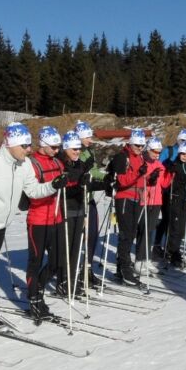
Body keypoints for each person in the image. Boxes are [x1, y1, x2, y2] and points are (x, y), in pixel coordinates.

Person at [0, 122, 64, 333]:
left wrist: (53, 185)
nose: (28, 149)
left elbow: (33, 191)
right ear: (12, 144)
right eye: (24, 145)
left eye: (29, 145)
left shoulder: (23, 164)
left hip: (1, 225)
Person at [24, 126, 67, 321]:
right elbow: (32, 193)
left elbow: (64, 182)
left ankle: (39, 287)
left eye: (58, 147)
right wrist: (53, 186)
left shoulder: (58, 162)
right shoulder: (31, 163)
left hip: (56, 217)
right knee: (35, 260)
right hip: (38, 219)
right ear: (43, 144)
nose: (57, 150)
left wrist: (74, 180)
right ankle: (33, 297)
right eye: (54, 147)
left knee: (58, 260)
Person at [58, 130, 107, 295]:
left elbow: (86, 183)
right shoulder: (62, 162)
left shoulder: (80, 160)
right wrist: (81, 182)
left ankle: (73, 279)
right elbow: (69, 185)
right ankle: (64, 280)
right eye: (74, 148)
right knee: (67, 247)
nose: (78, 151)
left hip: (80, 207)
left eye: (78, 149)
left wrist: (106, 183)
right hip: (67, 208)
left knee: (77, 246)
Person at [110, 129, 149, 286]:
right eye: (138, 145)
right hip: (124, 197)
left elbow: (139, 178)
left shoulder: (139, 157)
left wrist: (149, 178)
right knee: (126, 234)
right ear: (131, 143)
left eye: (142, 145)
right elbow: (121, 181)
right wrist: (138, 174)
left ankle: (122, 268)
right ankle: (125, 270)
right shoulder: (122, 157)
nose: (140, 148)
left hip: (135, 198)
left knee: (131, 233)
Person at [73, 120, 106, 288]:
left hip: (90, 199)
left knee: (92, 235)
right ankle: (75, 272)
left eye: (90, 136)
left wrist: (105, 178)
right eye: (87, 137)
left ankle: (88, 269)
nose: (90, 140)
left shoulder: (89, 151)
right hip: (78, 201)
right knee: (79, 238)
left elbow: (93, 171)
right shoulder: (74, 152)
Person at [153, 127, 186, 256]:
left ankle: (171, 247)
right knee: (166, 219)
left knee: (173, 222)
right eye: (182, 139)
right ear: (178, 139)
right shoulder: (169, 151)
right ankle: (158, 244)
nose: (184, 142)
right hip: (165, 190)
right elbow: (159, 166)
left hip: (178, 192)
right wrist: (168, 166)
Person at [136, 137, 171, 266]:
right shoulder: (142, 162)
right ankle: (139, 259)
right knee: (142, 229)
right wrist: (149, 177)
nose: (157, 155)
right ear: (148, 150)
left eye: (159, 153)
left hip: (156, 201)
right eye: (154, 152)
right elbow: (139, 180)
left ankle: (147, 258)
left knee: (150, 230)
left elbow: (163, 184)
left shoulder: (159, 165)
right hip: (145, 200)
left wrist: (170, 174)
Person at [164, 141, 186, 268]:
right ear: (179, 154)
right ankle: (172, 252)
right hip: (175, 199)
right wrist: (182, 177)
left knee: (182, 229)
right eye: (183, 154)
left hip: (185, 200)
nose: (185, 156)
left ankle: (175, 251)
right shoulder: (175, 165)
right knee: (175, 228)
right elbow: (172, 184)